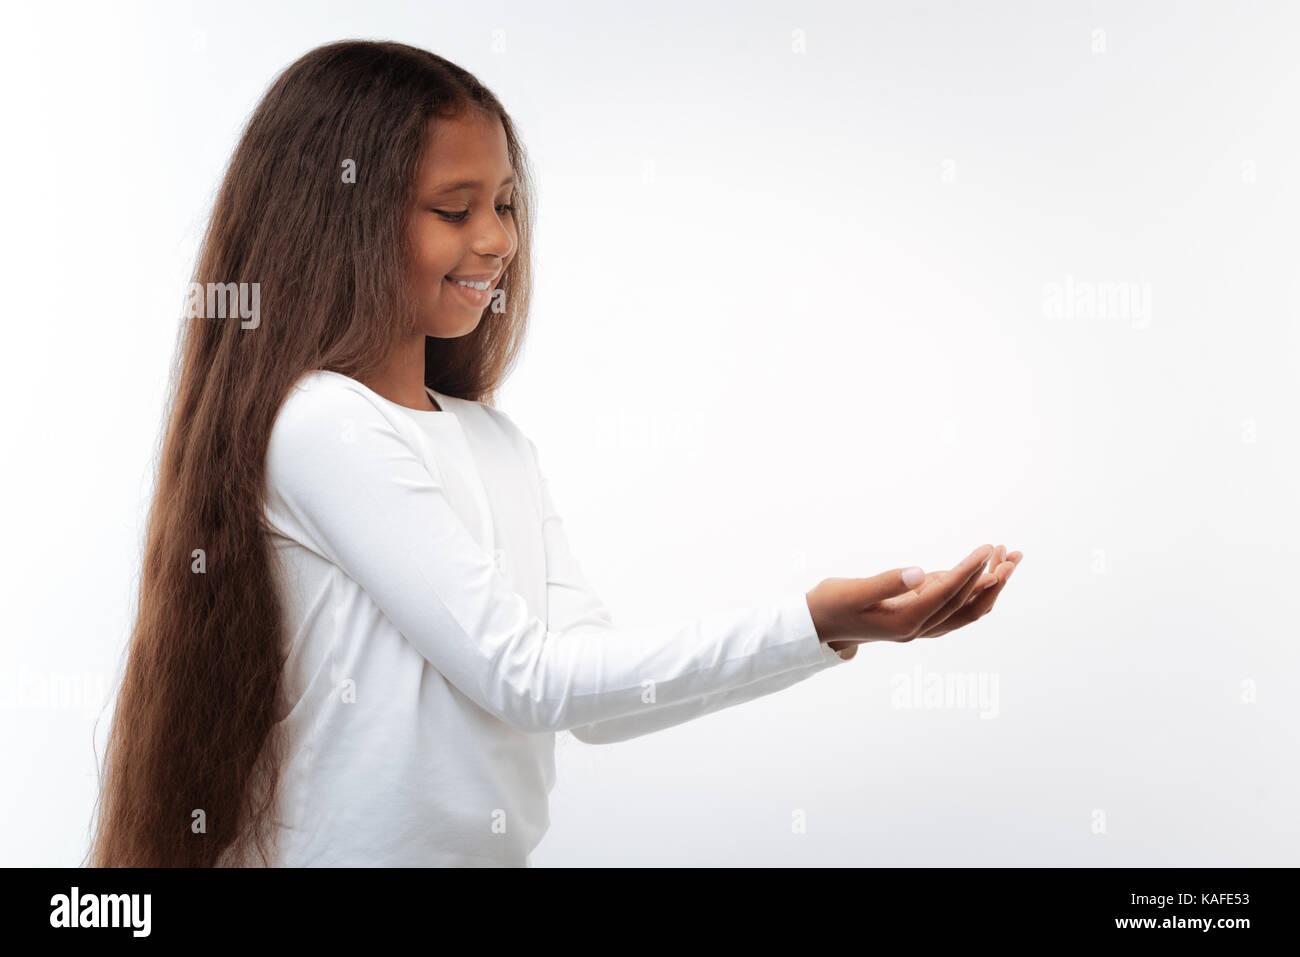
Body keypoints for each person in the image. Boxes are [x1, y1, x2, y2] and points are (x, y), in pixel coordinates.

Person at [87, 39, 1022, 869]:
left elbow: (595, 697)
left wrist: (830, 631)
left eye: (502, 203)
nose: (496, 240)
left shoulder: (496, 443)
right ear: (338, 220)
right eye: (453, 210)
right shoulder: (322, 424)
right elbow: (524, 677)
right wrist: (808, 621)